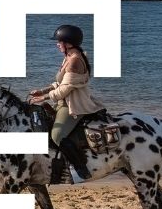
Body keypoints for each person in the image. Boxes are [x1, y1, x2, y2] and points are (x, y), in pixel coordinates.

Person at [28, 24, 105, 183]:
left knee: (57, 135)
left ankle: (80, 168)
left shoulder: (74, 61)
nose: (57, 44)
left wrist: (43, 98)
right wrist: (42, 91)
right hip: (63, 101)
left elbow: (64, 91)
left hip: (73, 105)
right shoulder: (69, 57)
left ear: (68, 43)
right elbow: (61, 84)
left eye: (59, 41)